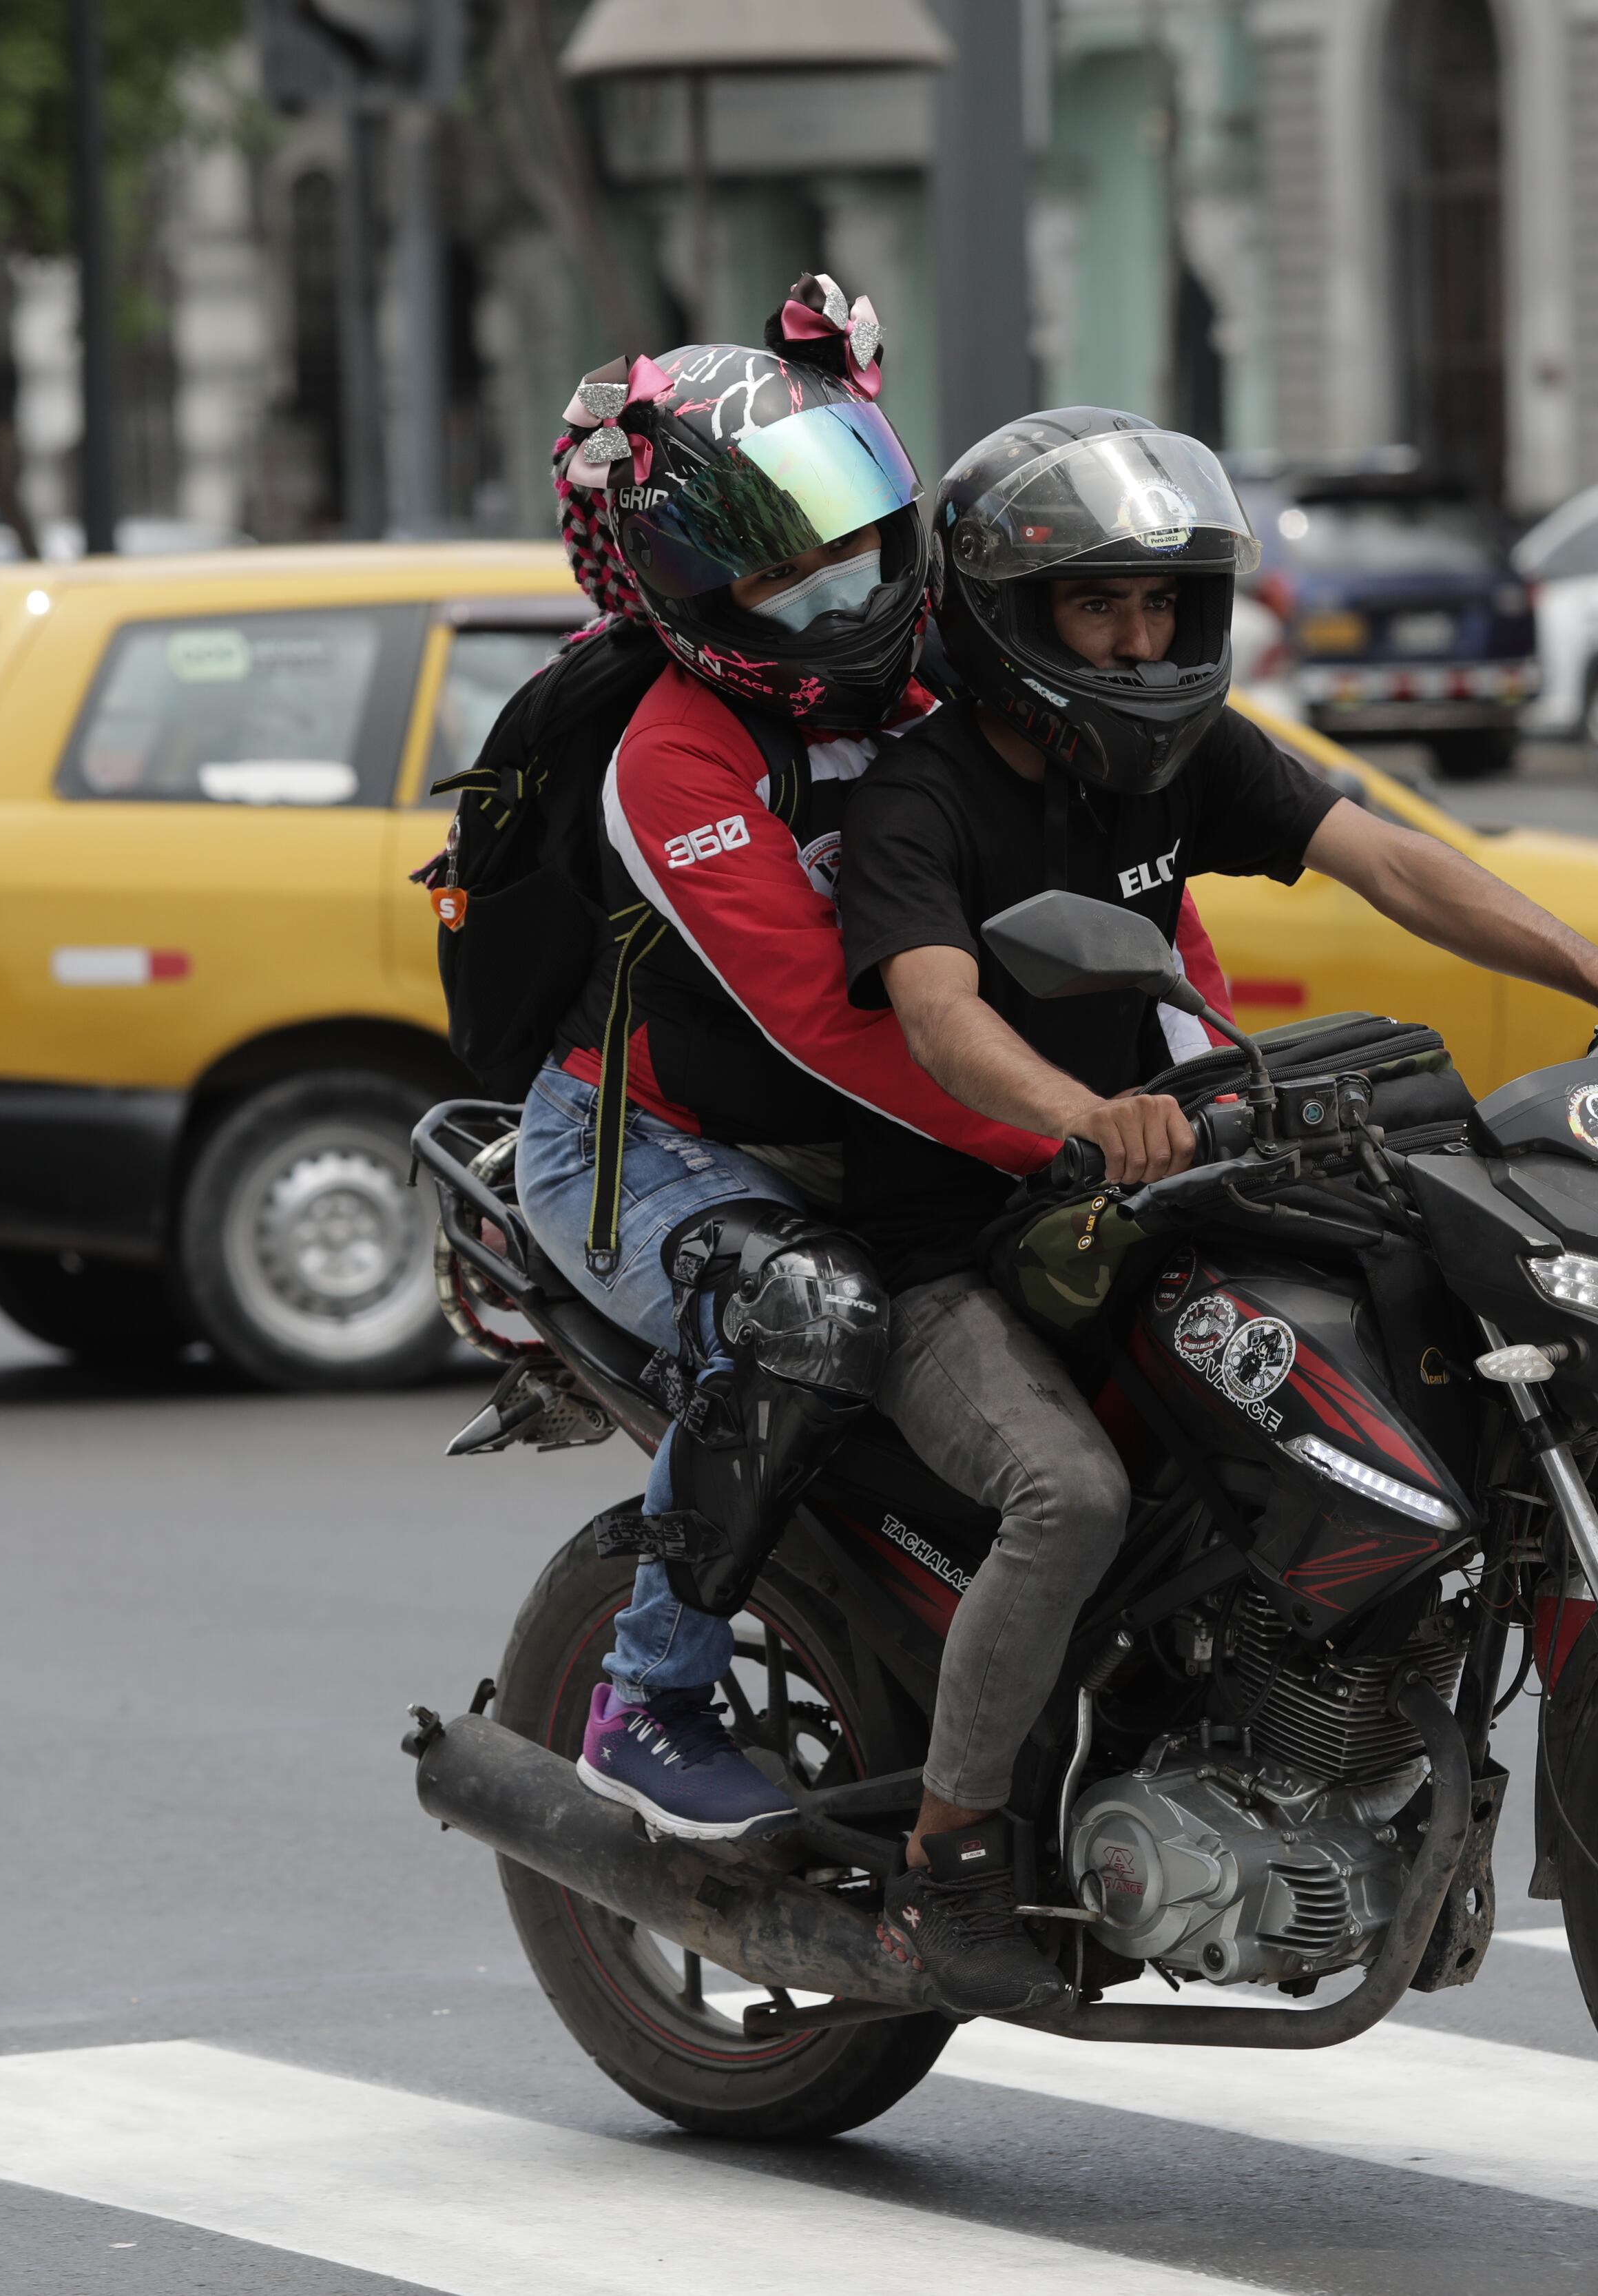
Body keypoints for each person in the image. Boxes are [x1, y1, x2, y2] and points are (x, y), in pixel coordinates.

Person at [835, 408, 1598, 2014]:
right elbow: (935, 1010)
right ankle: (949, 1859)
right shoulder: (923, 802)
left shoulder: (1184, 757)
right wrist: (1077, 1111)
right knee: (1067, 1495)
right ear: (1003, 616)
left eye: (1159, 608)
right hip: (960, 1237)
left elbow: (1387, 860)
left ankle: (1306, 1723)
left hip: (1145, 1203)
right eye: (1095, 609)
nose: (1135, 641)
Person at [508, 284, 1061, 1849]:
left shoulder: (943, 687)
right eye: (774, 563)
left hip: (872, 1137)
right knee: (807, 1311)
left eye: (849, 537)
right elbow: (831, 1016)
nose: (832, 589)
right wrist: (1064, 1129)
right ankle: (650, 1694)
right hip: (645, 1148)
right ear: (684, 587)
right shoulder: (676, 754)